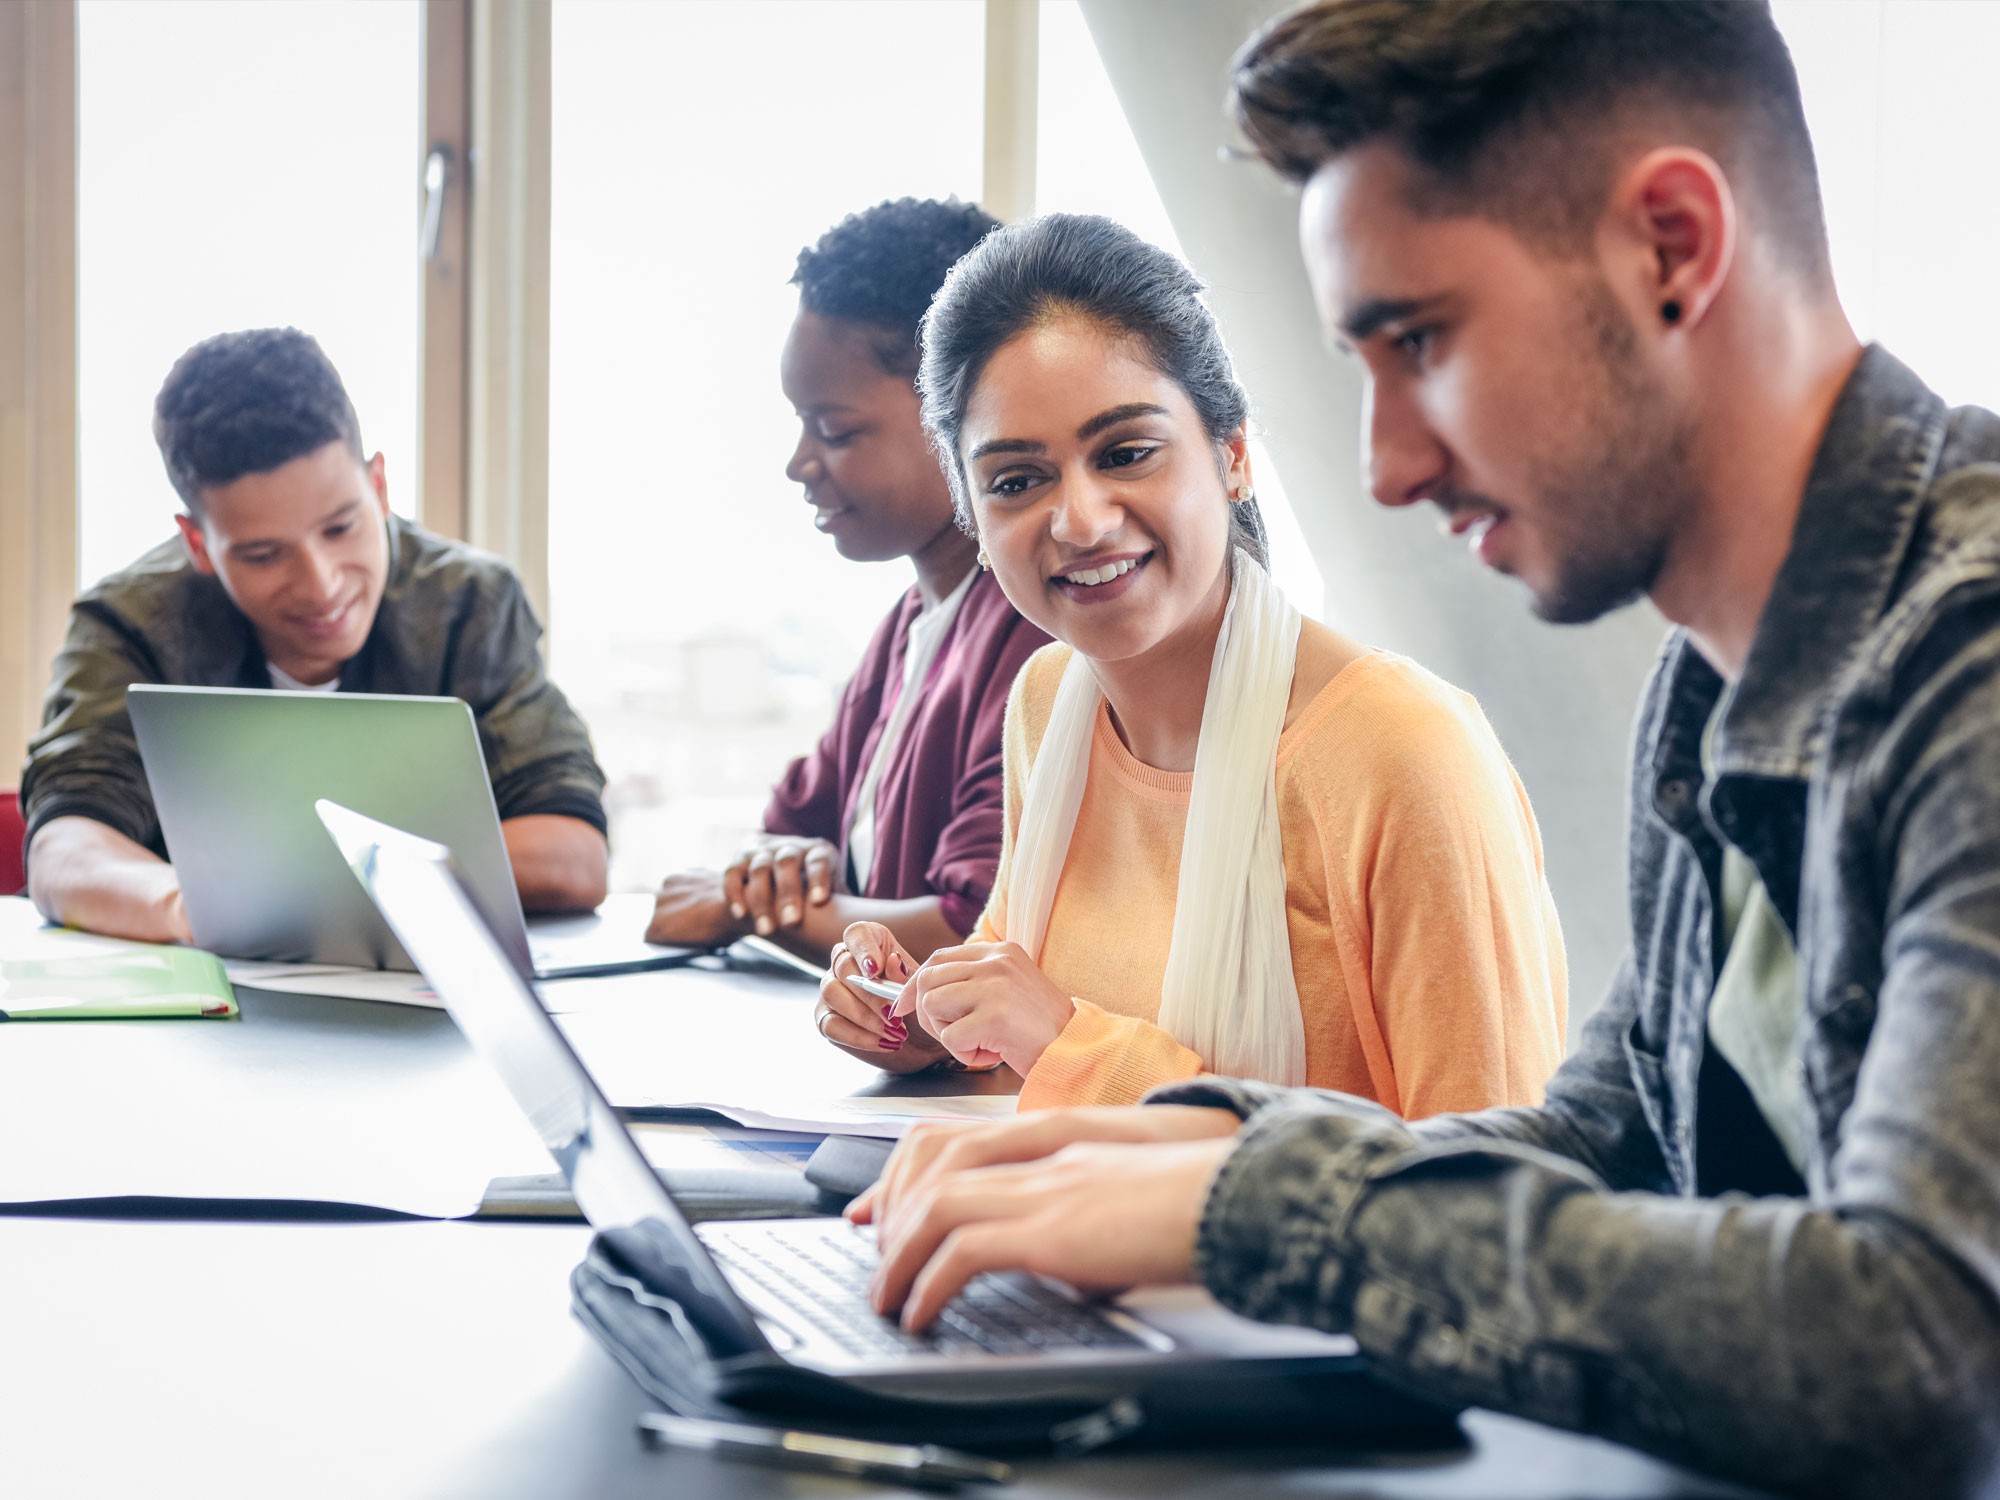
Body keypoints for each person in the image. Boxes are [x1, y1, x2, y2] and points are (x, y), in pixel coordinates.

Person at [846, 3, 2000, 1495]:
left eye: (1424, 343)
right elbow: (1618, 1138)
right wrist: (1183, 1152)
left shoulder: (1967, 666)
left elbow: (1926, 1358)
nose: (1387, 463)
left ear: (1672, 245)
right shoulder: (1714, 685)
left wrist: (1267, 1212)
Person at [817, 213, 1568, 1113]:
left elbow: (1489, 1195)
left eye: (1127, 453)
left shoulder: (1401, 752)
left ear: (1234, 456)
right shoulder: (1049, 704)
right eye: (1018, 481)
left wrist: (1070, 1044)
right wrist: (914, 1020)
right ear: (973, 518)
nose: (1082, 521)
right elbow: (1018, 1043)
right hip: (1064, 1240)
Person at [22, 327, 608, 943]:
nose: (321, 585)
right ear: (198, 544)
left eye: (340, 527)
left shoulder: (470, 605)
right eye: (263, 554)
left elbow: (574, 852)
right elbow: (65, 847)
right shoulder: (130, 622)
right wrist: (193, 909)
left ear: (378, 488)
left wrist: (303, 887)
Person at [646, 199, 1050, 967]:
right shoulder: (907, 627)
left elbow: (971, 931)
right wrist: (770, 883)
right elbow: (787, 834)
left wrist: (742, 907)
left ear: (958, 411)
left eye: (834, 430)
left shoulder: (1036, 634)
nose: (800, 462)